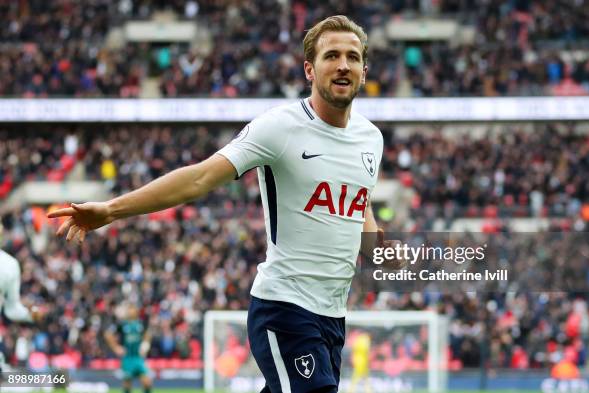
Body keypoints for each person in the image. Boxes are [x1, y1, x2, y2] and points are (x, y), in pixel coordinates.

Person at [49, 15, 400, 393]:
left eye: (352, 56)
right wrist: (111, 209)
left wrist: (378, 248)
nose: (343, 64)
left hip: (332, 316)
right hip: (285, 309)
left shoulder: (371, 139)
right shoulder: (280, 127)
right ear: (309, 70)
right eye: (332, 55)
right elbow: (199, 177)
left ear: (364, 71)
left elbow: (356, 204)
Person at [104, 304, 153, 393]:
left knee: (147, 382)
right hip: (127, 358)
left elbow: (148, 334)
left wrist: (145, 344)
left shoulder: (141, 323)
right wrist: (116, 347)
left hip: (138, 358)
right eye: (129, 309)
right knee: (127, 383)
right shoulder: (122, 324)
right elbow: (108, 334)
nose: (131, 312)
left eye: (133, 309)